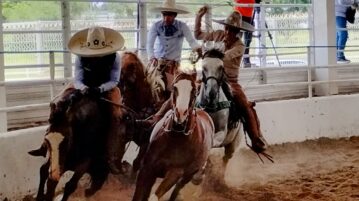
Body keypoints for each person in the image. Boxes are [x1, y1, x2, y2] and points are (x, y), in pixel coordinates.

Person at [49, 26, 125, 174]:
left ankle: (111, 156)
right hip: (83, 85)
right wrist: (83, 88)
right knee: (59, 102)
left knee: (116, 117)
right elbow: (77, 78)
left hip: (107, 88)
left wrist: (100, 89)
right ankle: (49, 139)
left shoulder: (115, 57)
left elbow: (114, 80)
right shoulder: (80, 57)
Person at [194, 6, 267, 154]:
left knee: (244, 104)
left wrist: (207, 53)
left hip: (230, 81)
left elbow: (223, 57)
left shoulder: (240, 45)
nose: (228, 32)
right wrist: (198, 17)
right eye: (227, 28)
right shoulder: (219, 34)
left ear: (238, 32)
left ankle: (256, 137)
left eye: (232, 30)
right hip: (212, 77)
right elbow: (198, 35)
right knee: (190, 90)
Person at [147, 0, 202, 91]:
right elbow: (149, 44)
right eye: (164, 15)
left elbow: (191, 41)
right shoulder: (156, 26)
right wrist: (152, 57)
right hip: (157, 62)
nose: (166, 18)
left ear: (175, 15)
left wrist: (197, 48)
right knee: (149, 85)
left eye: (169, 15)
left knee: (171, 88)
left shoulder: (182, 26)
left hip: (173, 63)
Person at [234, 0, 261, 67]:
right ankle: (236, 58)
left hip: (249, 16)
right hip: (238, 15)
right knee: (237, 39)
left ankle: (246, 58)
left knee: (248, 40)